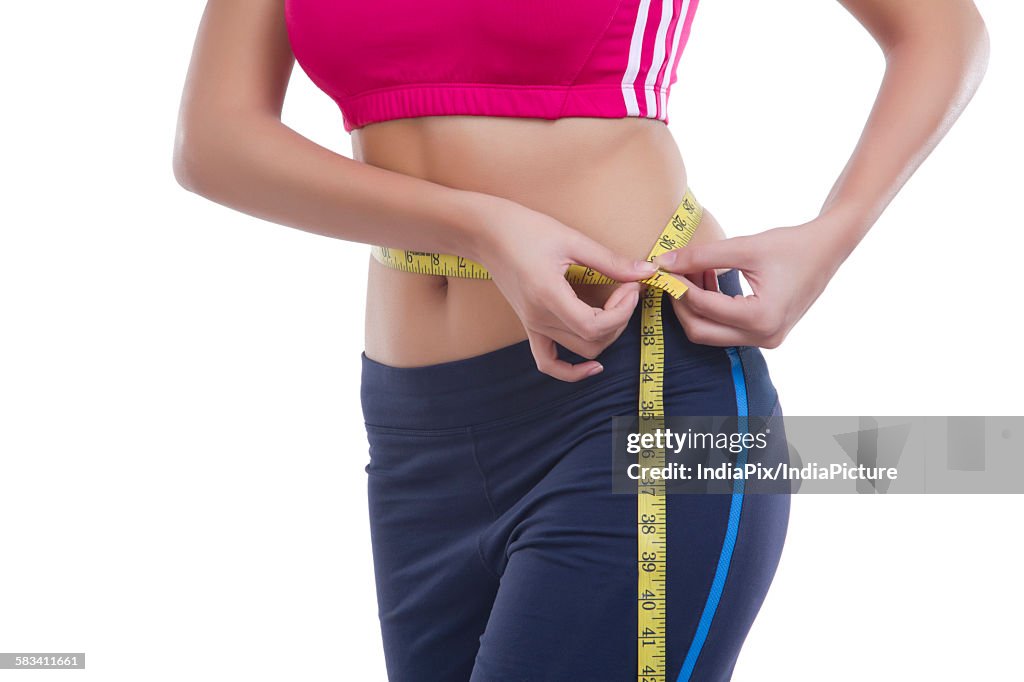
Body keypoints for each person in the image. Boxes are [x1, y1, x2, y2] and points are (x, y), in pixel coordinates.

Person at [172, 1, 989, 679]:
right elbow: (216, 140)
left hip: (642, 392)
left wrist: (831, 238)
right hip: (416, 434)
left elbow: (940, 28)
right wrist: (482, 226)